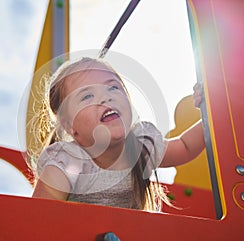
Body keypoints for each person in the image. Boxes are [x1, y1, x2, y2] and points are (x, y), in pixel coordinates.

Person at [28, 57, 205, 211]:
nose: (106, 97)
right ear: (70, 127)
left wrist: (212, 106)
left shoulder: (141, 146)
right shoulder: (68, 162)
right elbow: (39, 216)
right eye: (87, 96)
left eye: (112, 88)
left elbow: (185, 146)